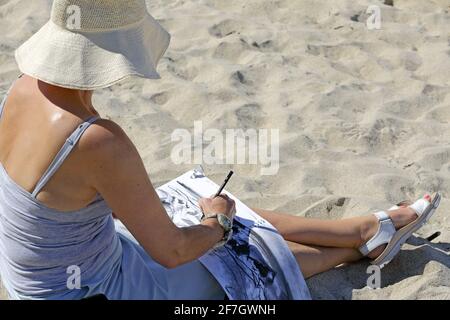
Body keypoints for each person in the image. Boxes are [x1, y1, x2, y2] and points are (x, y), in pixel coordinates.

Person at [0, 0, 440, 300]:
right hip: (93, 289)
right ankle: (359, 246)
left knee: (207, 210)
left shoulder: (21, 89)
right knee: (236, 248)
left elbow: (52, 200)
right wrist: (217, 221)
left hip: (39, 276)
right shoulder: (98, 139)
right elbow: (170, 251)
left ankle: (362, 229)